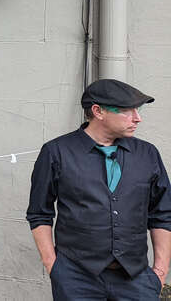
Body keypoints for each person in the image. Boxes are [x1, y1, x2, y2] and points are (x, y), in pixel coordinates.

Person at [27, 79, 171, 300]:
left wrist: (159, 273)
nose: (137, 117)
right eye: (127, 110)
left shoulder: (148, 154)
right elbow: (39, 213)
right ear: (98, 111)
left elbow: (162, 214)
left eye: (137, 109)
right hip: (76, 280)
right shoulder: (56, 152)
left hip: (136, 281)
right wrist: (53, 266)